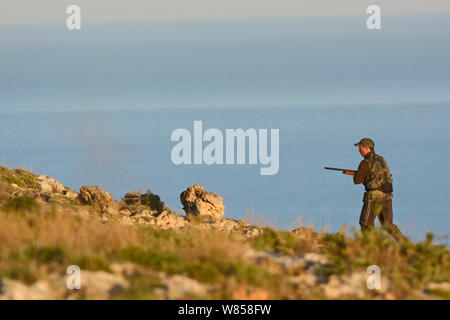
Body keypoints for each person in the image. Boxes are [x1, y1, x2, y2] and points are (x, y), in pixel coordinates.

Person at [345, 138, 407, 242]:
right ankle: (407, 246)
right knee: (388, 226)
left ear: (366, 148)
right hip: (387, 196)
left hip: (374, 196)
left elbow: (357, 181)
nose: (358, 150)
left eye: (360, 148)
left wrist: (355, 174)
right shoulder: (382, 160)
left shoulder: (365, 162)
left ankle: (371, 247)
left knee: (365, 224)